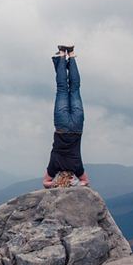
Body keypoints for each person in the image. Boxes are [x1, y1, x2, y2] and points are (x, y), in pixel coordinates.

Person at [43, 44, 90, 188]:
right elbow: (45, 183)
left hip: (77, 127)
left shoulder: (77, 168)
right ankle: (63, 55)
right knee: (63, 89)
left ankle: (71, 54)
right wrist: (55, 184)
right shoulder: (54, 166)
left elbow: (85, 182)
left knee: (75, 89)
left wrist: (76, 184)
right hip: (62, 127)